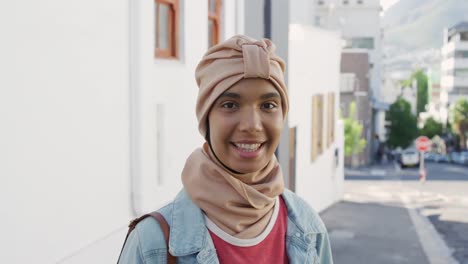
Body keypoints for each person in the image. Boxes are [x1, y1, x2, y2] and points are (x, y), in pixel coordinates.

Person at [118, 35, 333, 264]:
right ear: (205, 119)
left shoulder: (309, 230)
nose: (252, 125)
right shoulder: (152, 244)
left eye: (268, 105)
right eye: (230, 105)